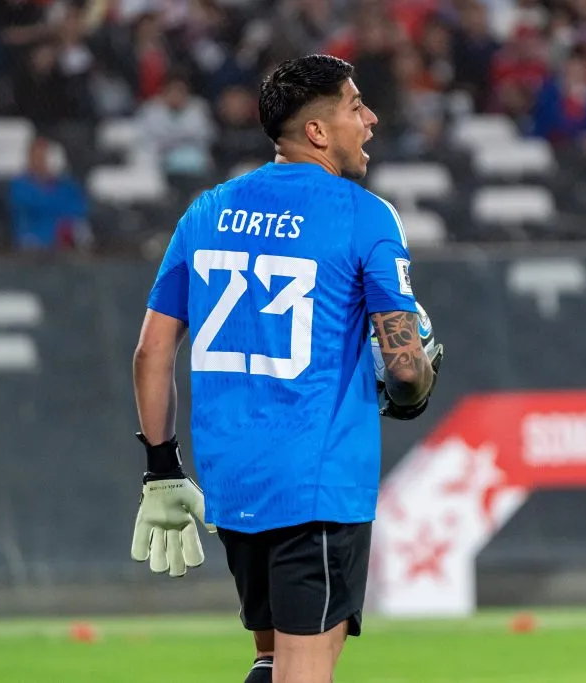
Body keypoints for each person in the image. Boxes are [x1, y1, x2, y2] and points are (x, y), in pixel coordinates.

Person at [129, 54, 444, 683]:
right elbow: (405, 367)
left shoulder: (208, 210)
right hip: (317, 482)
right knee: (306, 669)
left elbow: (151, 352)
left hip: (234, 482)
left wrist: (162, 470)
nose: (372, 120)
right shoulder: (366, 216)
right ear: (319, 132)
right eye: (357, 106)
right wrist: (412, 390)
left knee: (270, 660)